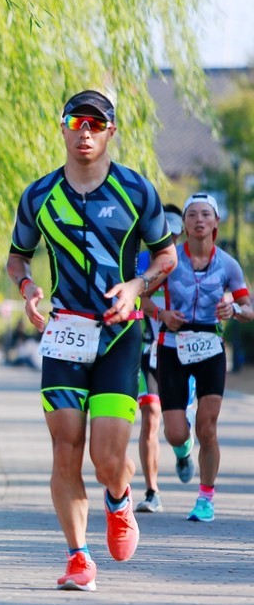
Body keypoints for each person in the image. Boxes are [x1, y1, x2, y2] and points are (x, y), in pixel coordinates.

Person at [6, 89, 177, 592]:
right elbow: (18, 255)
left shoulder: (135, 190)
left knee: (106, 458)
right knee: (65, 449)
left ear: (110, 132)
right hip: (63, 333)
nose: (85, 132)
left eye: (96, 124)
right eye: (76, 122)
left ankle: (119, 498)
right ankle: (79, 557)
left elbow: (165, 257)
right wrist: (27, 287)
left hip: (119, 335)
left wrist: (136, 286)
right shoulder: (39, 195)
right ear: (61, 127)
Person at [154, 192, 252, 523]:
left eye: (205, 214)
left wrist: (234, 308)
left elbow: (249, 308)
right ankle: (183, 452)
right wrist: (163, 314)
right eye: (192, 214)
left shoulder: (228, 264)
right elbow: (141, 297)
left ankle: (206, 498)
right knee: (176, 432)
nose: (199, 220)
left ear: (216, 223)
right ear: (183, 223)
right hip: (172, 346)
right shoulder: (168, 261)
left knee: (207, 426)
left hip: (210, 345)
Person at [134, 203, 185, 513]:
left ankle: (182, 449)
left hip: (187, 352)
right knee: (150, 416)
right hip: (150, 347)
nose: (168, 242)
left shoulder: (191, 265)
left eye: (174, 237)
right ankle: (152, 491)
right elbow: (136, 293)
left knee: (179, 429)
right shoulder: (139, 262)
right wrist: (159, 313)